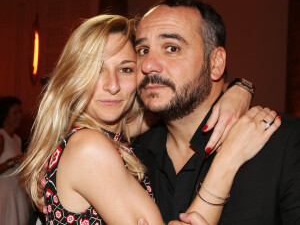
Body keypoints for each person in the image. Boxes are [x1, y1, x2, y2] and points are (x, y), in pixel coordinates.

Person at [19, 14, 280, 225]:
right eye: (95, 70)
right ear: (74, 76)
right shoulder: (89, 148)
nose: (112, 86)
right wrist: (228, 158)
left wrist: (239, 89)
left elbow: (177, 101)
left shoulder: (115, 131)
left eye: (125, 69)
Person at [131, 0, 300, 224]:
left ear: (216, 63)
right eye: (142, 50)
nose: (148, 65)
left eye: (172, 48)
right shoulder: (129, 155)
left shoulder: (284, 143)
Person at [0, 96, 30, 225]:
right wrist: (13, 160)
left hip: (17, 192)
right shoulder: (1, 137)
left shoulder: (17, 139)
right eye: (15, 113)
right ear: (4, 115)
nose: (19, 116)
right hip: (4, 193)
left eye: (20, 112)